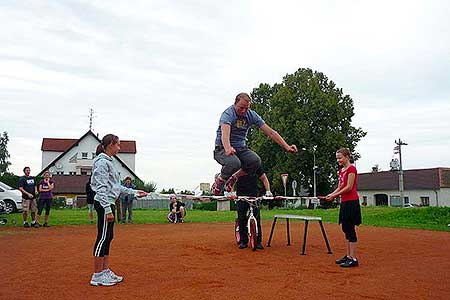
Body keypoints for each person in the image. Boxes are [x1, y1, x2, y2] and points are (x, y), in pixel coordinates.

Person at [89, 134, 147, 286]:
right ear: (110, 145)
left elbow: (116, 187)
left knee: (108, 237)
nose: (119, 148)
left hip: (109, 202)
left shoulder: (109, 162)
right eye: (118, 145)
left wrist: (135, 192)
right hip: (104, 204)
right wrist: (107, 209)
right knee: (102, 237)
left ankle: (105, 271)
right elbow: (99, 187)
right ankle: (97, 275)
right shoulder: (102, 162)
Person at [212, 92, 298, 195]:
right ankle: (220, 181)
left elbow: (270, 132)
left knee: (255, 161)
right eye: (241, 108)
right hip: (222, 148)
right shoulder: (228, 114)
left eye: (246, 108)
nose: (244, 111)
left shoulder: (251, 115)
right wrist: (227, 148)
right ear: (235, 103)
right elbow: (225, 134)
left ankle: (233, 178)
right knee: (234, 163)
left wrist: (287, 147)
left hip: (240, 149)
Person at [326, 147, 362, 268]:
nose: (338, 160)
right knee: (346, 229)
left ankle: (353, 258)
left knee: (350, 229)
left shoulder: (352, 169)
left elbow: (349, 187)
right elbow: (340, 186)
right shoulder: (341, 171)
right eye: (337, 158)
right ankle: (348, 256)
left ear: (347, 157)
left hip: (352, 202)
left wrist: (334, 195)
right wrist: (331, 194)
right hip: (345, 202)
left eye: (340, 158)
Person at [235, 166, 272, 249]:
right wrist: (231, 193)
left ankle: (258, 241)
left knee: (257, 218)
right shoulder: (237, 166)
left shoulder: (255, 165)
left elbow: (264, 178)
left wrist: (268, 191)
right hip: (241, 196)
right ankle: (243, 241)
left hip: (254, 195)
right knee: (241, 218)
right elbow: (232, 180)